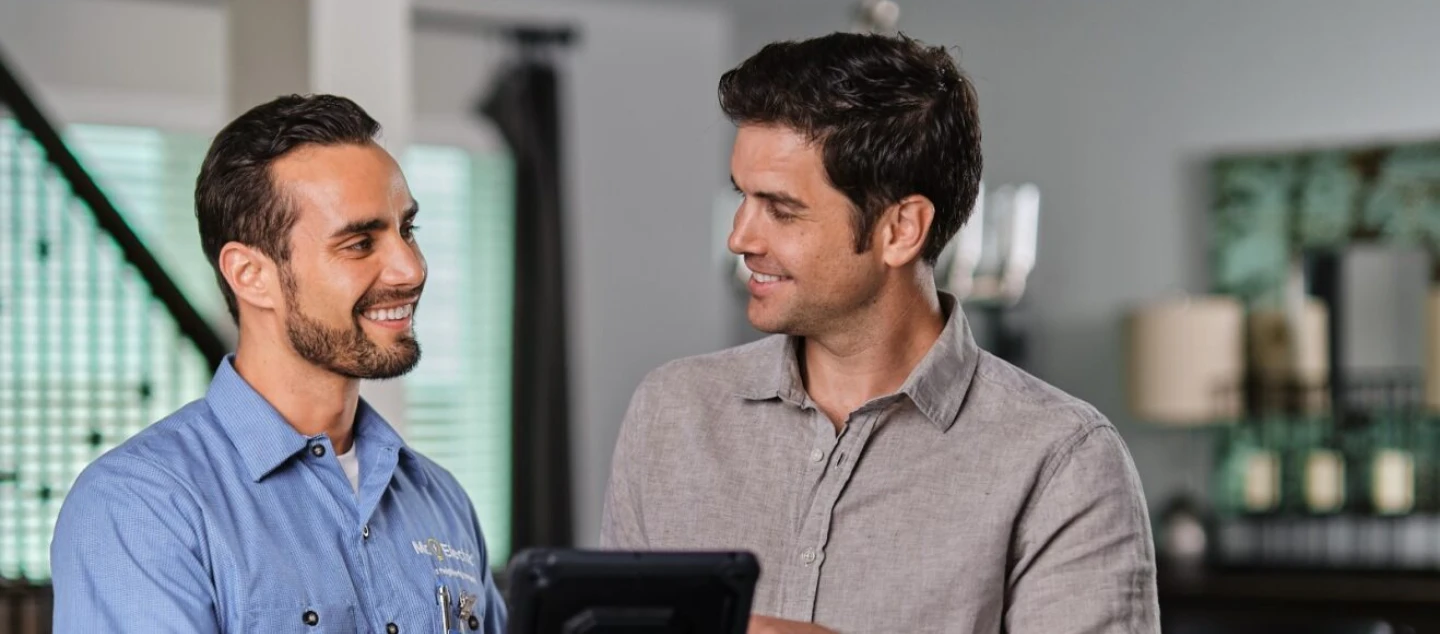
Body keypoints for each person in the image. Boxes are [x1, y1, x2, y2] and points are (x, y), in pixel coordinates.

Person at [601, 33, 1159, 633]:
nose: (740, 238)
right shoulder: (671, 413)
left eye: (781, 209)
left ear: (901, 229)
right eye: (743, 198)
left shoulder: (1062, 463)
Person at [50, 94, 506, 633]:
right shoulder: (140, 507)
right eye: (360, 243)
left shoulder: (440, 499)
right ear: (250, 275)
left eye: (407, 230)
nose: (410, 268)